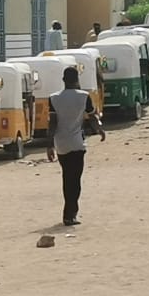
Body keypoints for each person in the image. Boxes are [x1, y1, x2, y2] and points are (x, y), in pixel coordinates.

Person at [46, 66, 105, 226]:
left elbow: (52, 123)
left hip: (61, 144)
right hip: (77, 144)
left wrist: (49, 145)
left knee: (67, 178)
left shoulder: (53, 98)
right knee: (76, 180)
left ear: (63, 80)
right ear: (77, 80)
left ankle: (68, 214)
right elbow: (92, 117)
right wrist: (100, 130)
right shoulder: (84, 96)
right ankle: (71, 214)